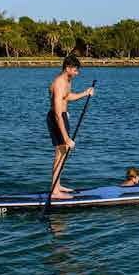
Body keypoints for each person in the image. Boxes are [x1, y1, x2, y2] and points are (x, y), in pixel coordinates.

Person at [47, 54, 94, 199]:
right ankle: (54, 191)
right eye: (75, 70)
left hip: (63, 118)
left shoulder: (67, 81)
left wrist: (85, 93)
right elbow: (56, 113)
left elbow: (67, 97)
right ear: (67, 68)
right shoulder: (59, 83)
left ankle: (58, 185)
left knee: (63, 152)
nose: (77, 73)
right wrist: (66, 137)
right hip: (57, 119)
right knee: (61, 152)